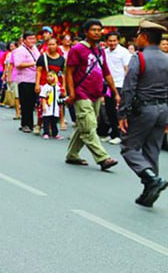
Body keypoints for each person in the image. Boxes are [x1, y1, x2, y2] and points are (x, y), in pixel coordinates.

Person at [118, 21, 168, 207]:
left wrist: (122, 114)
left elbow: (129, 88)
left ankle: (151, 179)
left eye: (138, 35)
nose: (136, 38)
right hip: (163, 109)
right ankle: (149, 191)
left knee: (129, 147)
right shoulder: (166, 58)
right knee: (152, 149)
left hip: (144, 110)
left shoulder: (139, 58)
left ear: (145, 37)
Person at [64, 19, 120, 171]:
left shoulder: (100, 50)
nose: (97, 32)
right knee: (89, 126)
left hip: (96, 93)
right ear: (86, 32)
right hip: (81, 93)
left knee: (84, 125)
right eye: (93, 30)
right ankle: (103, 158)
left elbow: (106, 72)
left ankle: (72, 155)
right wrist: (71, 92)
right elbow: (69, 72)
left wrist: (115, 92)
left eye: (99, 30)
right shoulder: (77, 49)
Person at [102, 32, 131, 144]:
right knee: (109, 110)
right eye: (110, 41)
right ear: (106, 41)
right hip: (108, 84)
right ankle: (113, 133)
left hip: (120, 85)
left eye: (114, 41)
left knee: (118, 111)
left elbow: (127, 68)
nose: (112, 43)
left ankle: (120, 134)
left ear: (118, 41)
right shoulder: (105, 52)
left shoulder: (123, 52)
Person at [35, 38, 67, 131]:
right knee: (43, 105)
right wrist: (37, 84)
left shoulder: (62, 59)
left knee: (58, 105)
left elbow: (63, 74)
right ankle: (39, 124)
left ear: (57, 45)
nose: (51, 46)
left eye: (53, 44)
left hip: (56, 85)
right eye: (49, 44)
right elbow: (39, 71)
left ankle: (56, 124)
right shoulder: (43, 57)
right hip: (44, 84)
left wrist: (64, 87)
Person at [11, 31, 39, 133]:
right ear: (24, 40)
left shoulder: (35, 49)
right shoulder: (19, 50)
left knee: (32, 103)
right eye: (30, 39)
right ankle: (25, 124)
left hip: (34, 79)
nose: (32, 41)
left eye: (33, 38)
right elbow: (18, 64)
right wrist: (33, 63)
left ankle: (30, 123)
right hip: (24, 79)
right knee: (25, 103)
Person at [39, 72, 62, 140]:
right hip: (47, 106)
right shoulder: (45, 87)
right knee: (46, 120)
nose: (49, 78)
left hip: (55, 107)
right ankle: (46, 133)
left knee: (54, 121)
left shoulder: (57, 87)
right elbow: (43, 97)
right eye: (48, 76)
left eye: (51, 76)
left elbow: (61, 95)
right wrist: (43, 106)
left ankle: (55, 133)